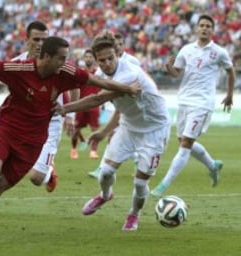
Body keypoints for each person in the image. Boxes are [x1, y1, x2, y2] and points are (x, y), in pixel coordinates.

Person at [0, 36, 141, 237]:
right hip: (7, 128)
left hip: (33, 142)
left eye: (66, 58)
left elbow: (98, 82)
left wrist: (126, 88)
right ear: (45, 57)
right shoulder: (19, 69)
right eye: (61, 58)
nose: (65, 63)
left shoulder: (66, 71)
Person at [54, 31, 170, 231]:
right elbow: (119, 107)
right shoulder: (101, 75)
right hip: (128, 126)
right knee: (106, 172)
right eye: (102, 60)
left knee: (140, 184)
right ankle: (105, 195)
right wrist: (103, 133)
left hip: (154, 130)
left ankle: (134, 214)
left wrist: (65, 109)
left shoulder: (130, 74)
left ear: (118, 54)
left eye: (111, 58)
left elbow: (98, 99)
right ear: (97, 61)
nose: (107, 63)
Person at [0, 20, 77, 218]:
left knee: (36, 178)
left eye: (44, 40)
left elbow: (76, 85)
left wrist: (70, 114)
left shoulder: (58, 62)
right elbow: (1, 81)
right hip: (22, 121)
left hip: (51, 121)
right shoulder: (19, 62)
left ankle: (49, 173)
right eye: (36, 39)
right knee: (0, 164)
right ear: (26, 40)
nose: (40, 44)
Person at [150, 14, 235, 197]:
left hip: (203, 103)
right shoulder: (186, 49)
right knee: (183, 141)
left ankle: (163, 185)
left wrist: (229, 95)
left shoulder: (219, 52)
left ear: (213, 30)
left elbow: (230, 71)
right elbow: (177, 73)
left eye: (208, 26)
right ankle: (213, 166)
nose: (204, 28)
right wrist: (169, 68)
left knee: (186, 143)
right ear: (197, 28)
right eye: (202, 25)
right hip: (184, 101)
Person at [88, 33, 141, 178]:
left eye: (120, 43)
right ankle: (137, 161)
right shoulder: (105, 62)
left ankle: (104, 167)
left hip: (129, 105)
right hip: (114, 102)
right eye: (115, 43)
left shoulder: (131, 62)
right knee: (116, 136)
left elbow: (139, 80)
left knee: (113, 135)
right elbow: (98, 79)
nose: (118, 46)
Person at [70, 49, 100, 160]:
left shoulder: (98, 73)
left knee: (95, 130)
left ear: (94, 59)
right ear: (83, 59)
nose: (88, 59)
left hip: (94, 105)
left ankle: (93, 151)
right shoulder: (80, 73)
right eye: (86, 57)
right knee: (75, 129)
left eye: (90, 57)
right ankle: (73, 149)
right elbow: (74, 88)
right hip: (81, 105)